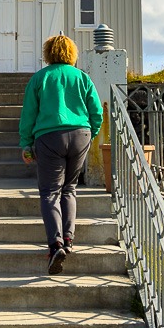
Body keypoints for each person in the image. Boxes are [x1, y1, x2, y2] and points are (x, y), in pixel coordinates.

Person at [18, 34, 103, 274]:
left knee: (50, 192)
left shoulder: (40, 78)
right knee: (70, 188)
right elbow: (96, 112)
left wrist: (26, 143)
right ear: (72, 54)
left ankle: (55, 245)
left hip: (48, 137)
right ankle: (69, 240)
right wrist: (90, 134)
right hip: (80, 134)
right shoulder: (82, 77)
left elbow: (29, 115)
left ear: (48, 53)